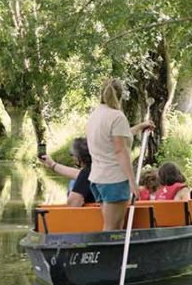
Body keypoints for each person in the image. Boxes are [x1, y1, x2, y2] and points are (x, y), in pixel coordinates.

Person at [86, 78, 153, 231]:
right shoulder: (117, 116)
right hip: (114, 179)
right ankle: (107, 255)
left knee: (113, 227)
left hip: (98, 179)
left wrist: (140, 126)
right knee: (112, 229)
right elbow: (120, 150)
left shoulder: (95, 115)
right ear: (121, 96)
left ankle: (112, 255)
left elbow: (117, 139)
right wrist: (132, 181)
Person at [39, 137, 94, 206]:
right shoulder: (95, 169)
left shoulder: (86, 174)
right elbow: (78, 174)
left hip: (90, 215)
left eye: (71, 154)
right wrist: (52, 164)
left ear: (78, 157)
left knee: (72, 183)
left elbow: (73, 203)